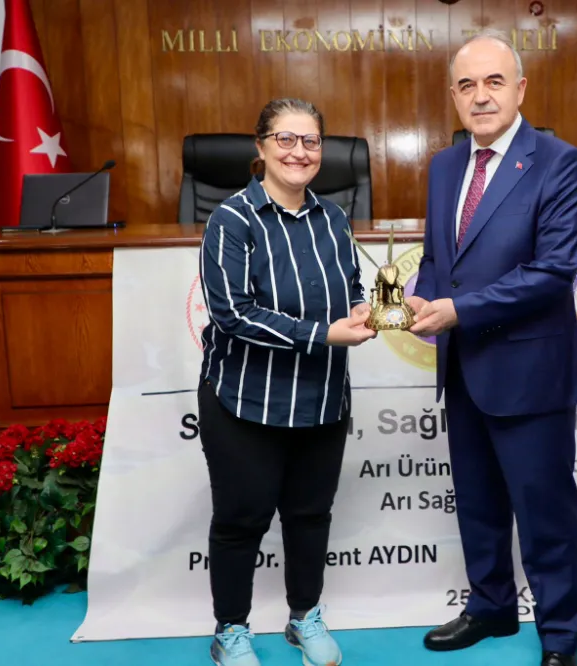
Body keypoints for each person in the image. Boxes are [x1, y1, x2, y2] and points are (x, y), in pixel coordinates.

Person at [407, 30, 577, 666]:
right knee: (479, 504)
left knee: (544, 512)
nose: (480, 96)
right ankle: (491, 607)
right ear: (454, 96)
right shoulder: (445, 166)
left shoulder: (558, 161)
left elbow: (552, 271)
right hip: (463, 368)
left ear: (520, 89)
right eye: (466, 85)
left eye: (493, 82)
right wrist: (420, 298)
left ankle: (560, 635)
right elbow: (439, 259)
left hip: (531, 371)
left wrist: (458, 311)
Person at [197, 97, 376, 666]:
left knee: (309, 517)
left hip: (321, 399)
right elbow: (233, 314)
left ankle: (304, 618)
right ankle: (231, 631)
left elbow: (350, 286)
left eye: (311, 141)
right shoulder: (232, 220)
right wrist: (324, 334)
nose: (300, 152)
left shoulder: (335, 218)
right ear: (261, 146)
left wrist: (362, 309)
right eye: (286, 139)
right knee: (240, 520)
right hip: (245, 400)